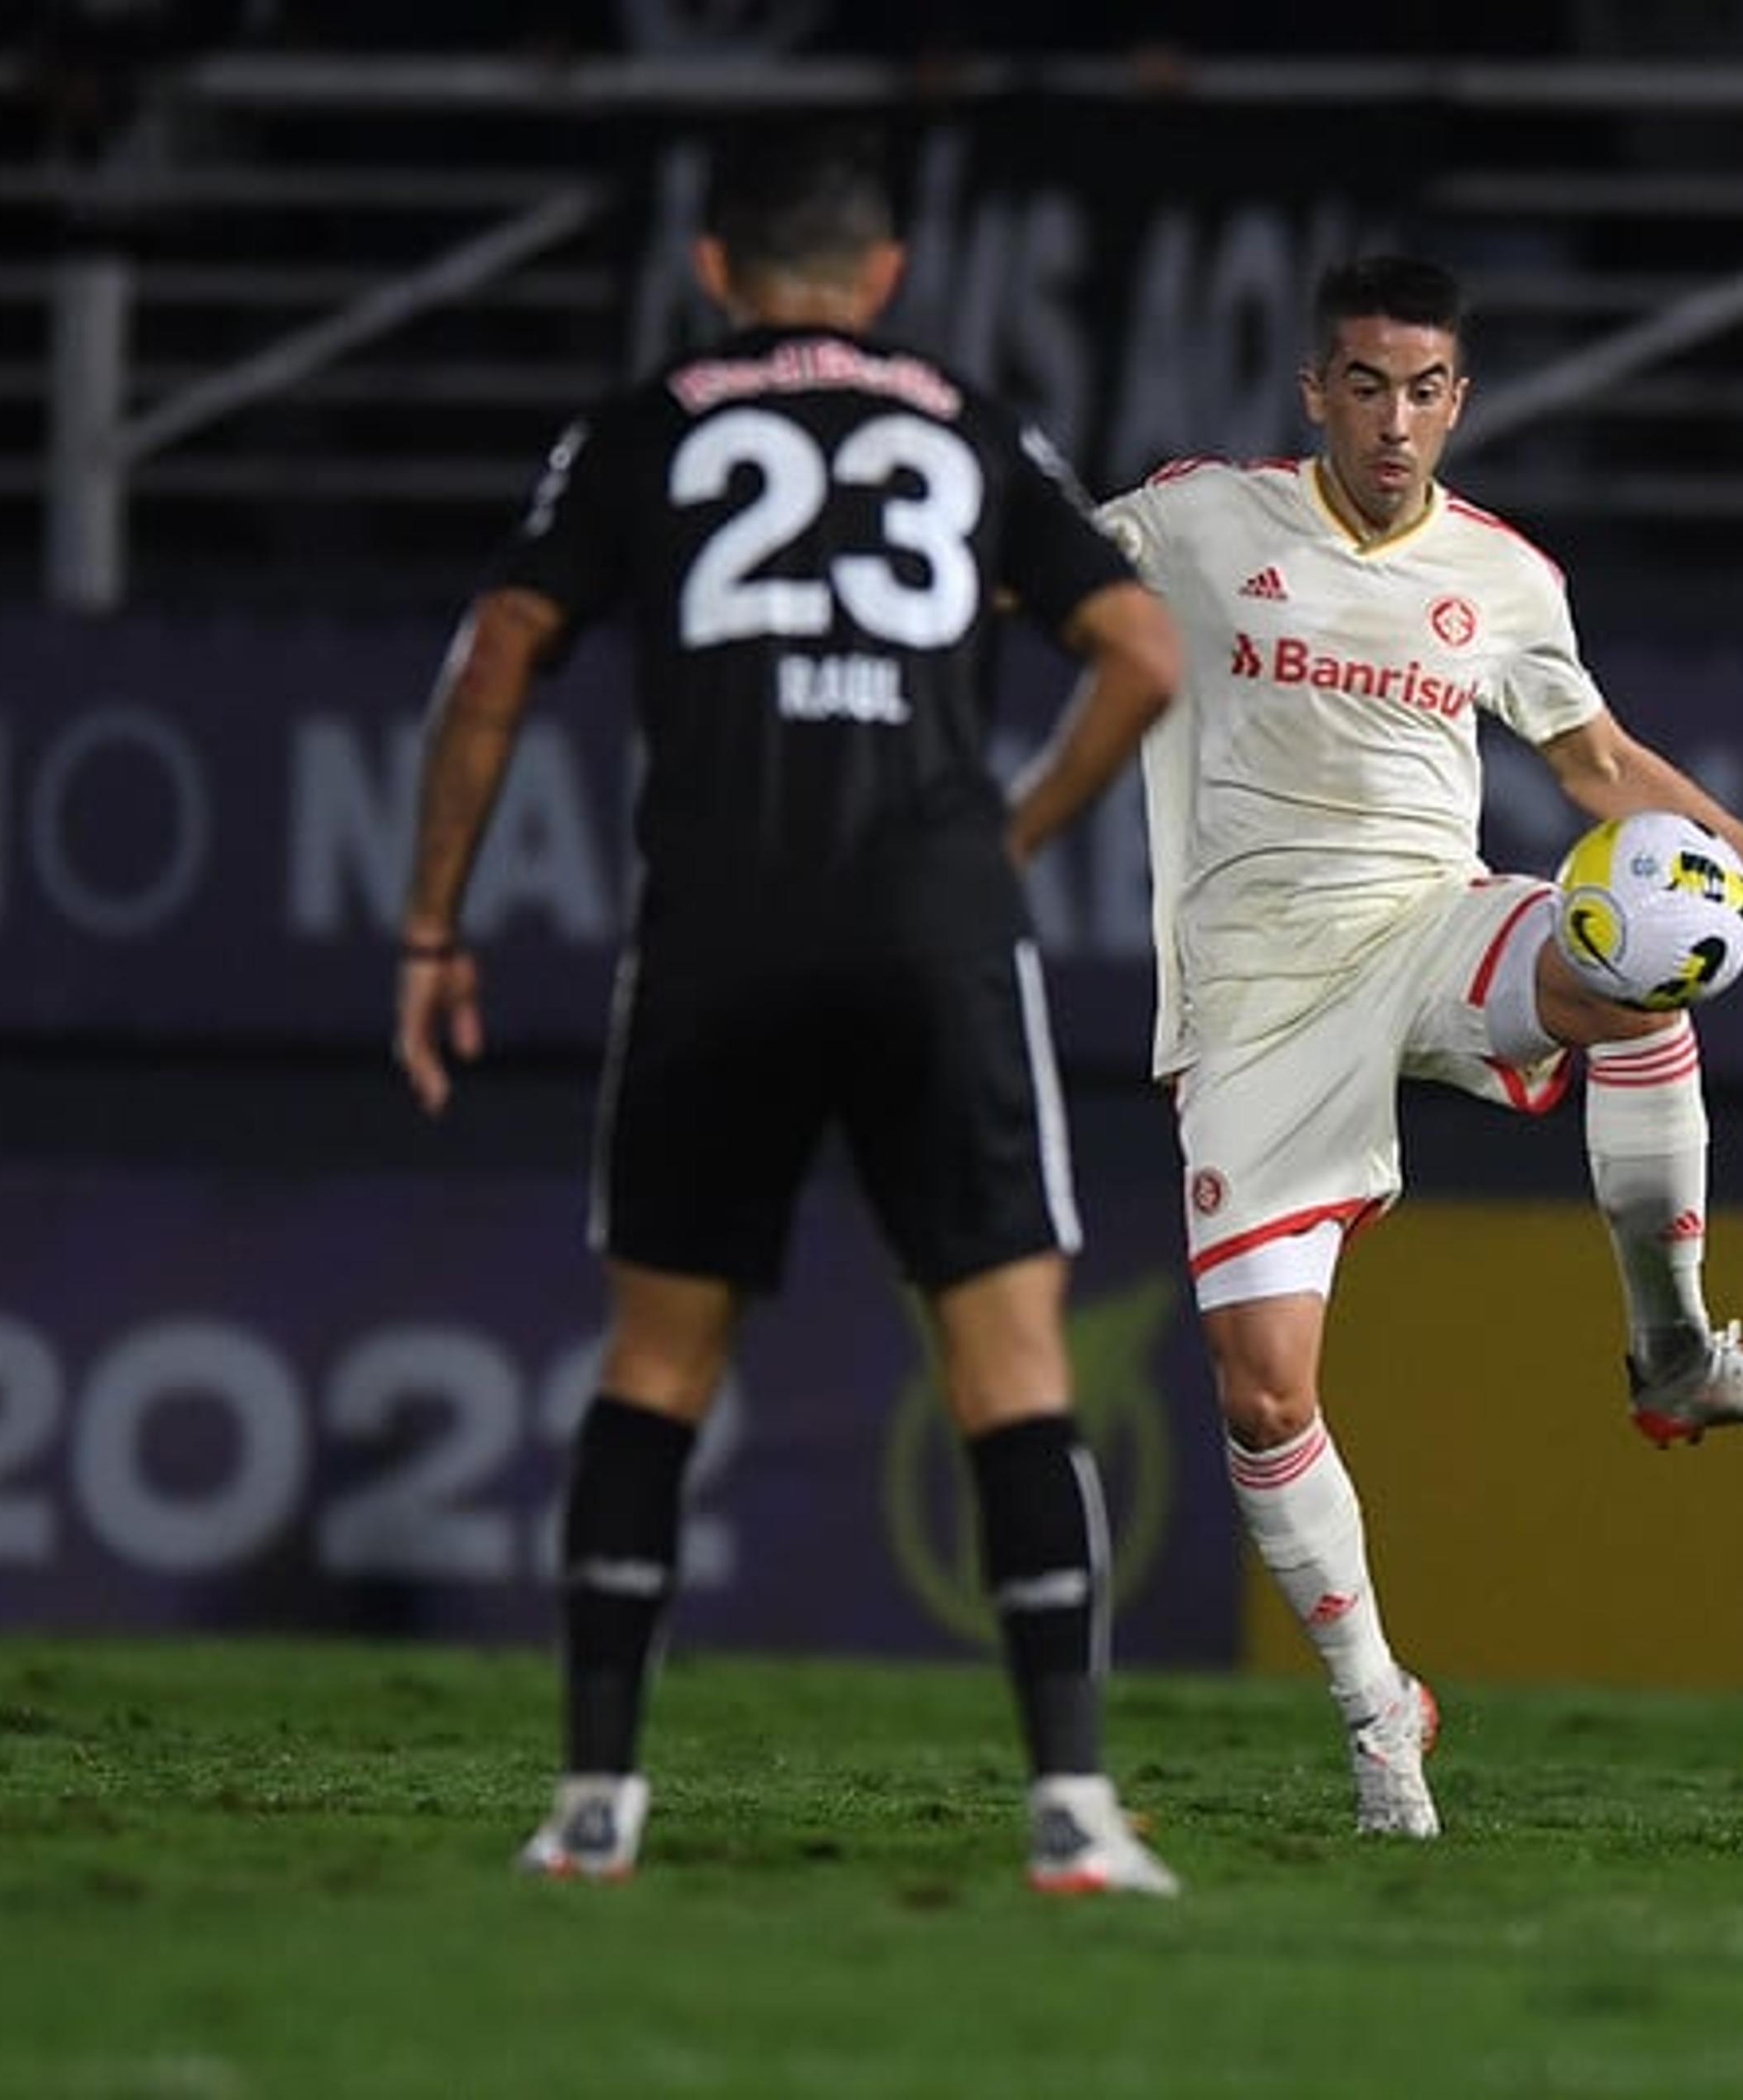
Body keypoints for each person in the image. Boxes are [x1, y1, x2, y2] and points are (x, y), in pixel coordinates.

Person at [1047, 256, 1743, 1839]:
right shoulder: (1201, 520)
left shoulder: (1504, 579)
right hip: (1258, 997)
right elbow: (1025, 564)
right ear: (1316, 390)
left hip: (1431, 926)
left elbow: (1602, 766)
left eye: (1428, 389)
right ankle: (1382, 1709)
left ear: (1460, 400)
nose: (1398, 422)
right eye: (1368, 386)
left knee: (1639, 945)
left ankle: (1677, 1355)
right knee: (1262, 1398)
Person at [392, 124, 1184, 1895]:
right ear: (888, 273)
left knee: (660, 1364)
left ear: (714, 268)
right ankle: (1073, 1811)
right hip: (931, 923)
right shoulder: (969, 421)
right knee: (1013, 1364)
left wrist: (433, 929)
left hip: (718, 930)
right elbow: (1142, 651)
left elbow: (501, 647)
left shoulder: (644, 421)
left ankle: (594, 1805)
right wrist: (1015, 830)